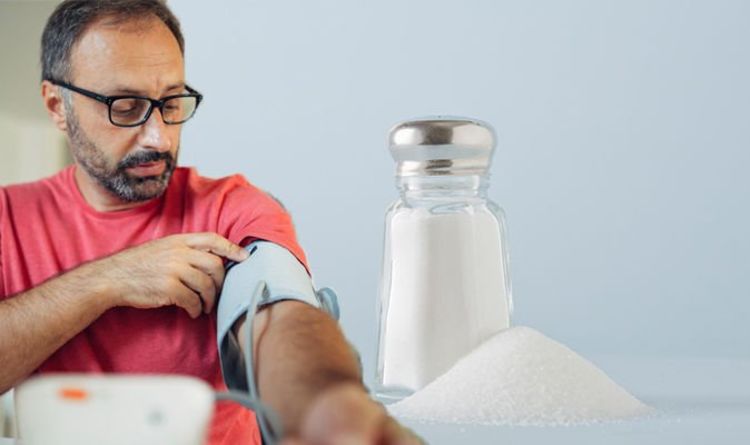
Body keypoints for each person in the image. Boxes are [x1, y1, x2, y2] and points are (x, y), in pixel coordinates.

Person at [0, 1, 420, 444]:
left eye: (172, 102)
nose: (158, 136)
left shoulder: (232, 208)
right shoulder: (9, 218)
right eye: (124, 107)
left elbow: (279, 318)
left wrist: (327, 406)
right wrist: (108, 280)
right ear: (56, 106)